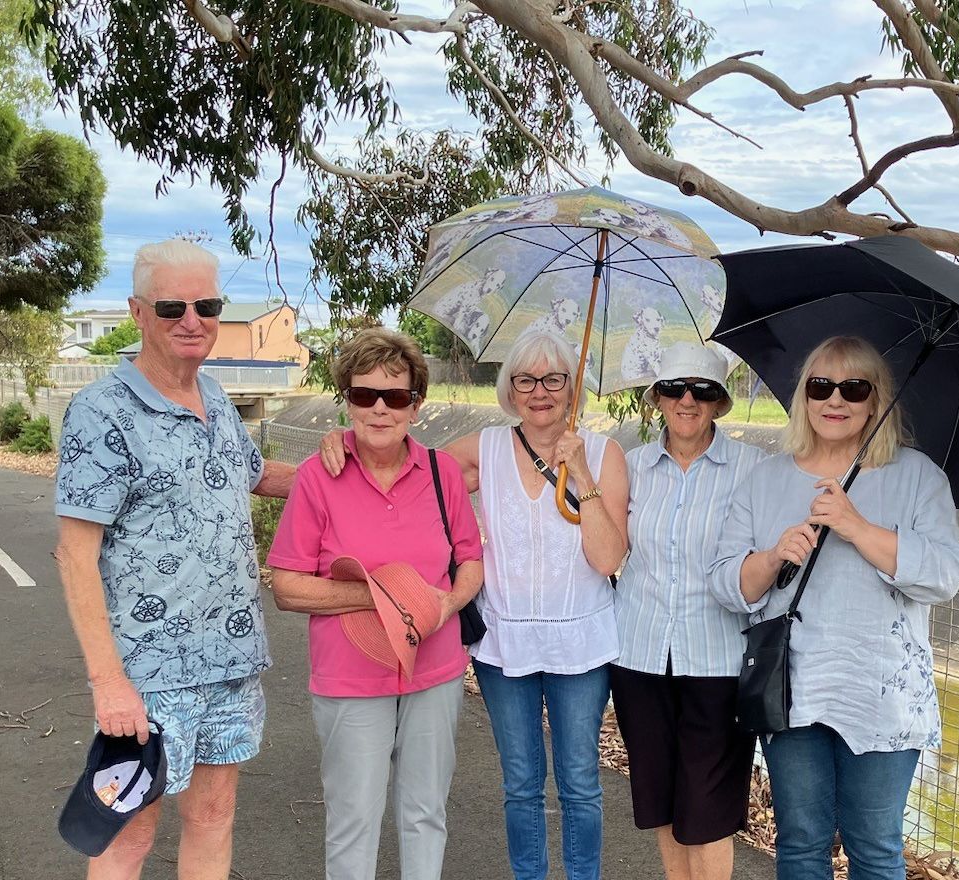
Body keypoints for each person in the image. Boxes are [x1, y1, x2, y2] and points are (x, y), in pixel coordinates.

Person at [318, 330, 629, 880]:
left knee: (580, 781)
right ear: (510, 389)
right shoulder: (483, 450)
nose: (540, 392)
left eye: (553, 379)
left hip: (580, 644)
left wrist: (580, 473)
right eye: (525, 380)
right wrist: (345, 440)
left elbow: (607, 560)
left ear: (571, 386)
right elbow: (399, 462)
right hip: (504, 644)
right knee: (521, 784)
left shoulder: (604, 455)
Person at [54, 239, 297, 880]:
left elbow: (254, 474)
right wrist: (109, 683)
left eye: (207, 304)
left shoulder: (215, 397)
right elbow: (74, 555)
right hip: (148, 671)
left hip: (232, 659)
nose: (192, 319)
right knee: (128, 835)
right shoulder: (101, 412)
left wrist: (348, 468)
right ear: (137, 312)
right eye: (172, 306)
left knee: (214, 815)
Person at [709, 335, 959, 880]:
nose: (836, 400)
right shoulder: (767, 478)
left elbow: (946, 574)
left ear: (876, 400)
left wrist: (856, 526)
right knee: (801, 843)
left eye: (854, 388)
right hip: (794, 691)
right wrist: (774, 555)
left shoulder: (917, 476)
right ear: (802, 396)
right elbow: (726, 582)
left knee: (874, 847)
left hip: (882, 696)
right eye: (820, 386)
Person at [266, 328, 484, 880]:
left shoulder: (441, 474)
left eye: (396, 396)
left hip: (433, 671)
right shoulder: (319, 476)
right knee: (353, 820)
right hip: (350, 678)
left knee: (424, 813)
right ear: (347, 400)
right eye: (365, 396)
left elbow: (470, 560)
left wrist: (445, 602)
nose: (380, 409)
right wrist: (385, 596)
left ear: (417, 404)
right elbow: (287, 585)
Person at [609, 342, 764, 880]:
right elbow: (602, 541)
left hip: (716, 659)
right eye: (674, 388)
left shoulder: (753, 468)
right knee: (661, 798)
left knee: (708, 808)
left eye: (703, 390)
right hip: (639, 653)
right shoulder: (631, 467)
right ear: (657, 398)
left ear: (720, 402)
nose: (687, 400)